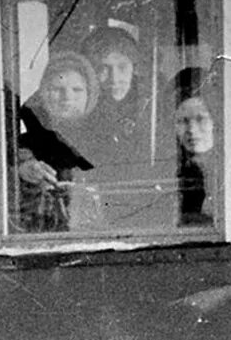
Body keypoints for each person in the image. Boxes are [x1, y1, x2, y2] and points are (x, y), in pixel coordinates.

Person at [15, 50, 99, 232]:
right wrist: (23, 173)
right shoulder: (21, 145)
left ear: (90, 95)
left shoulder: (107, 140)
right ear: (44, 93)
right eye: (57, 89)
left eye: (77, 89)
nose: (67, 96)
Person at [80, 25, 150, 168]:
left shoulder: (154, 103)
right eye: (103, 68)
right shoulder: (77, 102)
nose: (114, 78)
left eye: (122, 67)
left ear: (134, 67)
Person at [168, 67, 218, 226]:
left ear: (215, 121)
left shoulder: (229, 168)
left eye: (200, 119)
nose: (191, 130)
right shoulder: (171, 170)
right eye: (183, 121)